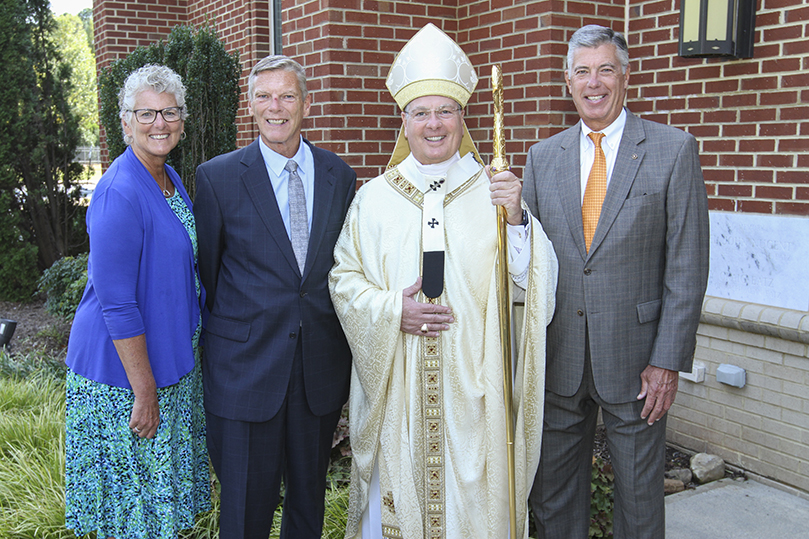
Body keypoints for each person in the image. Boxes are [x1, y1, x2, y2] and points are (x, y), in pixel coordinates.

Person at [329, 23, 558, 539]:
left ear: (463, 117)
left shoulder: (495, 191)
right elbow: (343, 280)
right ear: (403, 120)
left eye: (446, 111)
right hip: (401, 395)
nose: (434, 124)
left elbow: (536, 284)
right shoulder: (375, 199)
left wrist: (518, 220)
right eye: (421, 112)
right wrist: (392, 310)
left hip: (474, 393)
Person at [523, 24, 710, 539]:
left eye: (606, 69)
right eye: (582, 71)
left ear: (626, 76)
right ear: (567, 81)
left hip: (637, 362)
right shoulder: (543, 158)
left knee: (640, 500)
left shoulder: (673, 151)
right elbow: (533, 261)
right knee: (553, 497)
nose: (594, 82)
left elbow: (687, 267)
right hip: (559, 358)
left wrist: (668, 360)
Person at [194, 55, 356, 539]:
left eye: (287, 95)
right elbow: (209, 274)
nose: (275, 107)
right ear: (250, 105)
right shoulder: (218, 177)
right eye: (264, 96)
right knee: (245, 512)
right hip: (244, 371)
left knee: (308, 506)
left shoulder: (339, 176)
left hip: (317, 372)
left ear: (306, 104)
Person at [64, 64, 210, 538]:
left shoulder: (167, 178)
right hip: (125, 379)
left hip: (169, 363)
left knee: (159, 513)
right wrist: (144, 391)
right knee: (133, 519)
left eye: (169, 112)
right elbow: (117, 305)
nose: (159, 123)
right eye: (145, 113)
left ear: (182, 121)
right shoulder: (119, 192)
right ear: (124, 122)